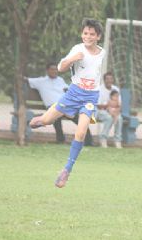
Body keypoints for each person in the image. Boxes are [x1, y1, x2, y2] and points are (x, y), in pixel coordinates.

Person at [29, 18, 105, 188]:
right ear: (81, 34)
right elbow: (61, 67)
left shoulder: (103, 54)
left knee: (81, 133)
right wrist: (72, 59)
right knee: (47, 121)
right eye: (85, 33)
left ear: (98, 36)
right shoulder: (77, 49)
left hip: (90, 98)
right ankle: (42, 119)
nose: (88, 36)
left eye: (92, 34)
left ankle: (66, 170)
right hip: (72, 94)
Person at [27, 62, 94, 146]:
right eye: (52, 69)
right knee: (55, 116)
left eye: (56, 69)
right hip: (53, 107)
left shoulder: (60, 80)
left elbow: (67, 89)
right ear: (47, 70)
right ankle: (60, 139)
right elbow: (24, 79)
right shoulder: (40, 81)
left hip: (65, 105)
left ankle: (89, 142)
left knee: (82, 118)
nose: (54, 71)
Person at [97, 72, 123, 149]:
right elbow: (98, 105)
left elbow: (119, 104)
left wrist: (115, 111)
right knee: (109, 117)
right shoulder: (99, 89)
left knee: (119, 118)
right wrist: (109, 108)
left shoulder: (116, 89)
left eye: (111, 79)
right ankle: (103, 139)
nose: (109, 80)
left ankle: (117, 140)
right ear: (104, 80)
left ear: (113, 80)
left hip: (114, 110)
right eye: (107, 79)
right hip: (101, 111)